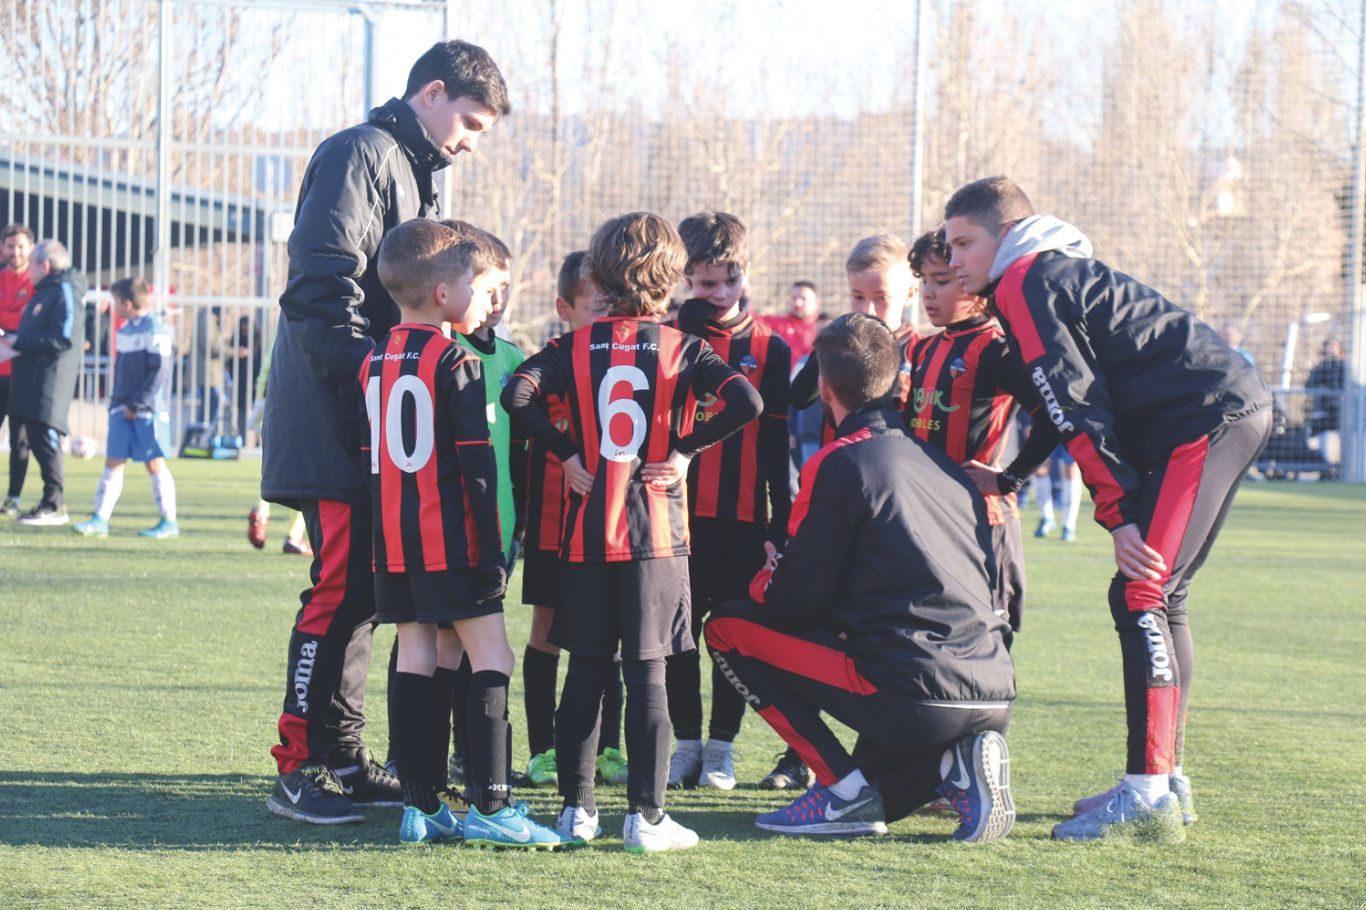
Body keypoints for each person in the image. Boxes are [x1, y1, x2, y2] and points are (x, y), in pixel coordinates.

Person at [945, 176, 1272, 842]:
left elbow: (1072, 401)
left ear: (1004, 236)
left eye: (963, 242)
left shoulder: (1025, 279)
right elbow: (1064, 395)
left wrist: (1117, 516)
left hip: (1204, 417)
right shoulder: (1046, 273)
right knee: (1162, 596)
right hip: (1222, 407)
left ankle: (1148, 793)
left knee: (1141, 592)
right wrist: (1012, 473)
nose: (953, 261)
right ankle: (1165, 779)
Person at [259, 39, 510, 825]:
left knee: (368, 594)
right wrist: (381, 381)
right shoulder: (360, 153)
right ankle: (297, 764)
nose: (471, 140)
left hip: (374, 422)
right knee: (339, 589)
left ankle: (340, 754)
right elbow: (317, 290)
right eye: (468, 120)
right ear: (430, 93)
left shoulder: (417, 173)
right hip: (336, 419)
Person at [502, 211, 762, 852]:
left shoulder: (573, 345)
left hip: (586, 536)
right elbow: (747, 403)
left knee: (586, 671)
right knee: (648, 674)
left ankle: (575, 813)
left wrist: (565, 453)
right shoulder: (683, 348)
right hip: (656, 538)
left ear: (602, 273)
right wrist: (685, 451)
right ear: (674, 275)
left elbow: (517, 395)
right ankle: (646, 819)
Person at [705, 313, 1016, 841]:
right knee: (885, 796)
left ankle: (839, 791)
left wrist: (765, 577)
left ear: (825, 388)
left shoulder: (840, 462)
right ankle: (952, 768)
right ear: (902, 384)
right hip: (993, 690)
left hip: (911, 691)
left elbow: (791, 602)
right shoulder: (942, 462)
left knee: (727, 627)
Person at [360, 219, 567, 847]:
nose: (487, 304)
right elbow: (477, 470)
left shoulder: (373, 360)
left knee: (422, 656)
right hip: (452, 541)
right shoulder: (454, 359)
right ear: (445, 293)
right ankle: (492, 804)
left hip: (394, 545)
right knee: (493, 657)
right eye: (480, 289)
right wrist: (492, 551)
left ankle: (419, 807)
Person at [666, 212, 792, 791]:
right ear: (684, 278)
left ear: (746, 272)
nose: (718, 294)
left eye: (730, 279)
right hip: (676, 518)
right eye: (705, 282)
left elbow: (775, 445)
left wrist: (779, 522)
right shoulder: (668, 337)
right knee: (678, 635)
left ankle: (721, 748)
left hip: (744, 524)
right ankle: (685, 743)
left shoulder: (772, 349)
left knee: (732, 636)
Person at [907, 228, 1058, 640]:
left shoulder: (995, 348)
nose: (928, 293)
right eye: (923, 281)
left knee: (989, 631)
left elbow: (1053, 417)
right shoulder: (924, 348)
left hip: (982, 520)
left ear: (975, 284)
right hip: (926, 516)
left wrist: (1009, 478)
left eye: (942, 281)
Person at [517, 251, 627, 789]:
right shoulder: (553, 361)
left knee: (608, 637)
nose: (606, 318)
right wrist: (565, 452)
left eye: (613, 307)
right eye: (596, 308)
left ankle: (609, 747)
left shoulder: (629, 363)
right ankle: (542, 749)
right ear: (566, 308)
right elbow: (518, 402)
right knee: (546, 634)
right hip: (551, 527)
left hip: (611, 528)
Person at [71, 277, 179, 539]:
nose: (114, 306)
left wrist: (138, 403)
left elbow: (160, 371)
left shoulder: (156, 328)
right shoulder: (124, 330)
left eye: (115, 301)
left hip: (146, 410)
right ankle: (100, 519)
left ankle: (169, 522)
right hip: (122, 408)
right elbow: (122, 370)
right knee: (113, 461)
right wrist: (118, 402)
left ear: (127, 303)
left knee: (154, 463)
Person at [2, 240, 85, 526]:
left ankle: (54, 504)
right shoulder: (45, 292)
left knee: (45, 439)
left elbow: (65, 337)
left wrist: (20, 342)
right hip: (31, 378)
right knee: (34, 439)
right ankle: (47, 502)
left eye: (33, 264)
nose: (29, 270)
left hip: (49, 380)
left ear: (45, 265)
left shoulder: (64, 290)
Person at [0, 223, 34, 517]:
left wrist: (9, 327)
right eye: (10, 246)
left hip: (23, 372)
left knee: (19, 438)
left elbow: (29, 323)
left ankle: (13, 498)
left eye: (21, 246)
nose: (15, 252)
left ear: (30, 249)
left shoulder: (37, 283)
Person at [1305, 336, 1345, 478]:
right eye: (1329, 346)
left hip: (1342, 411)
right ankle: (1326, 470)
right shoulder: (1320, 367)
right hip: (1324, 411)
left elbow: (1346, 385)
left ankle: (1343, 471)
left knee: (1343, 443)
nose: (1331, 349)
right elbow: (1310, 386)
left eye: (1334, 346)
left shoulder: (1344, 366)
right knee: (1324, 443)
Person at [760, 281, 821, 363]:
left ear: (816, 302)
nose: (798, 303)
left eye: (803, 298)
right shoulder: (776, 324)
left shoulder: (824, 328)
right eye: (794, 298)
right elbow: (751, 319)